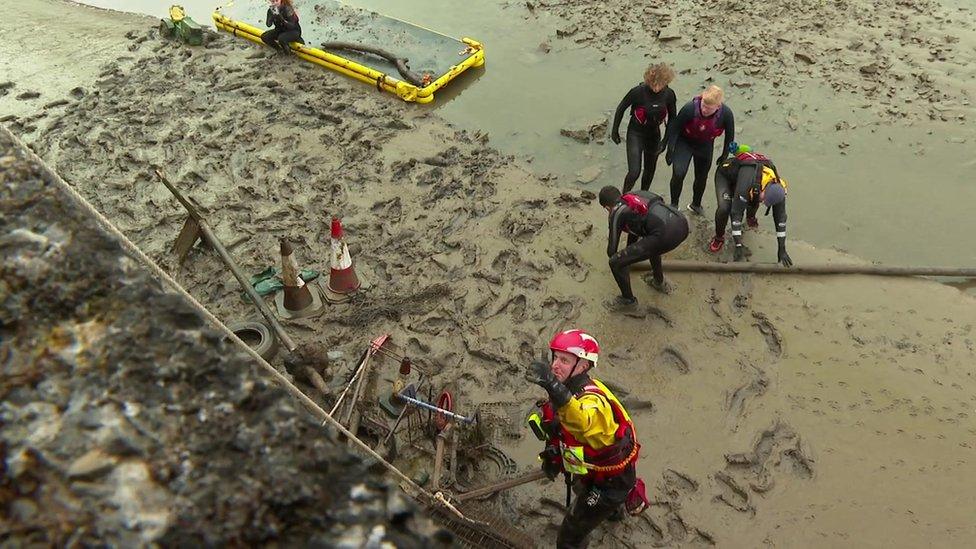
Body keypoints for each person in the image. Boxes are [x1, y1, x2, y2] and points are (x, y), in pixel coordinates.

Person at [525, 329, 649, 549]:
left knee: (570, 535)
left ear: (583, 366)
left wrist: (552, 386)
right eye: (555, 357)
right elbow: (562, 428)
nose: (555, 365)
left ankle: (610, 510)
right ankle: (613, 513)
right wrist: (552, 460)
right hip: (595, 472)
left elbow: (582, 421)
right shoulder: (569, 390)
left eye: (565, 360)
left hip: (610, 484)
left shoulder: (592, 401)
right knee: (582, 490)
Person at [598, 186, 689, 309]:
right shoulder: (634, 197)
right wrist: (629, 255)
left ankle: (628, 301)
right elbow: (636, 230)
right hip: (681, 223)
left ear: (607, 207)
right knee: (651, 243)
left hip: (664, 234)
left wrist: (624, 261)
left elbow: (611, 251)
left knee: (615, 262)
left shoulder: (616, 210)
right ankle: (658, 281)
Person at [708, 143, 792, 266]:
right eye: (765, 199)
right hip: (726, 176)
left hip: (751, 185)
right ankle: (719, 238)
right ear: (765, 189)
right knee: (724, 209)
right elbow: (736, 213)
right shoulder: (748, 181)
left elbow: (780, 219)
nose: (764, 202)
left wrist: (782, 248)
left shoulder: (778, 189)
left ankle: (750, 218)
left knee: (754, 200)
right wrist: (738, 244)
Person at [664, 85, 735, 215]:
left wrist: (725, 154)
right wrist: (670, 148)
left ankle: (696, 204)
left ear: (718, 106)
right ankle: (674, 204)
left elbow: (730, 136)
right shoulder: (690, 108)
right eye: (703, 105)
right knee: (679, 173)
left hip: (705, 145)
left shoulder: (726, 114)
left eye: (709, 108)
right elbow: (675, 127)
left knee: (701, 177)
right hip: (685, 142)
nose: (704, 109)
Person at [610, 64, 677, 193]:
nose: (656, 88)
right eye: (653, 84)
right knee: (634, 172)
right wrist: (615, 130)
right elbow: (621, 108)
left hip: (654, 134)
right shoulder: (638, 92)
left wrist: (666, 141)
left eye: (660, 84)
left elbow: (673, 118)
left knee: (650, 170)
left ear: (666, 82)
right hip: (636, 133)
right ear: (648, 81)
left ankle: (644, 194)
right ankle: (624, 195)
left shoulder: (669, 95)